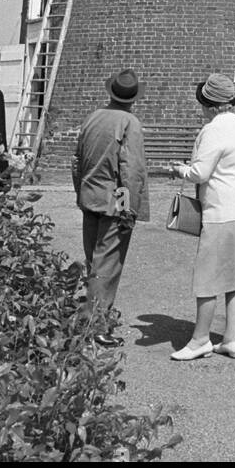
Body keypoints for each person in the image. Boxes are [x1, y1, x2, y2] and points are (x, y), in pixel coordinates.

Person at [168, 73, 235, 361]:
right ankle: (231, 338)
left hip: (221, 212)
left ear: (209, 104)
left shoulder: (213, 130)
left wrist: (180, 169)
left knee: (207, 278)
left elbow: (200, 173)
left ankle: (200, 340)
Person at [71, 69, 149, 346]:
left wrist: (81, 192)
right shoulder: (130, 123)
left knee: (94, 261)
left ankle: (87, 317)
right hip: (115, 203)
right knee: (108, 264)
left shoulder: (93, 117)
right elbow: (131, 170)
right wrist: (128, 209)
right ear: (133, 98)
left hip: (89, 197)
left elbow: (77, 160)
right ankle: (97, 326)